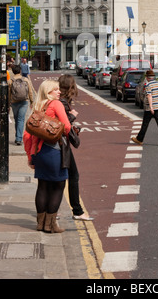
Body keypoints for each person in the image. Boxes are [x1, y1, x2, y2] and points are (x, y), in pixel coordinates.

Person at [23, 80, 71, 233]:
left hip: (39, 152)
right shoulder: (56, 104)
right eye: (55, 89)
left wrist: (30, 156)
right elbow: (67, 127)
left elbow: (28, 136)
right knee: (58, 186)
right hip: (53, 151)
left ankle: (40, 223)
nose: (59, 92)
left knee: (42, 186)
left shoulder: (38, 106)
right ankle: (50, 225)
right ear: (48, 92)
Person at [58, 74, 94, 221]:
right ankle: (76, 211)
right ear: (71, 87)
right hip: (61, 144)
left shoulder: (61, 101)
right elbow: (63, 125)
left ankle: (54, 210)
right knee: (70, 177)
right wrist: (72, 117)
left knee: (61, 178)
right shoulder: (63, 103)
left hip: (59, 144)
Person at [131, 70, 158, 146]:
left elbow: (149, 95)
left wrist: (151, 106)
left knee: (145, 124)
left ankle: (139, 139)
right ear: (153, 77)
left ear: (147, 77)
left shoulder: (148, 85)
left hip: (149, 108)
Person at [9, 64, 34, 146]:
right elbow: (30, 92)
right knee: (21, 120)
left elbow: (9, 93)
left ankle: (18, 137)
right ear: (20, 71)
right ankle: (19, 138)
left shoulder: (10, 81)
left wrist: (9, 102)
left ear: (12, 71)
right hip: (24, 101)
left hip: (14, 102)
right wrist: (32, 101)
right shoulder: (26, 80)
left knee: (17, 119)